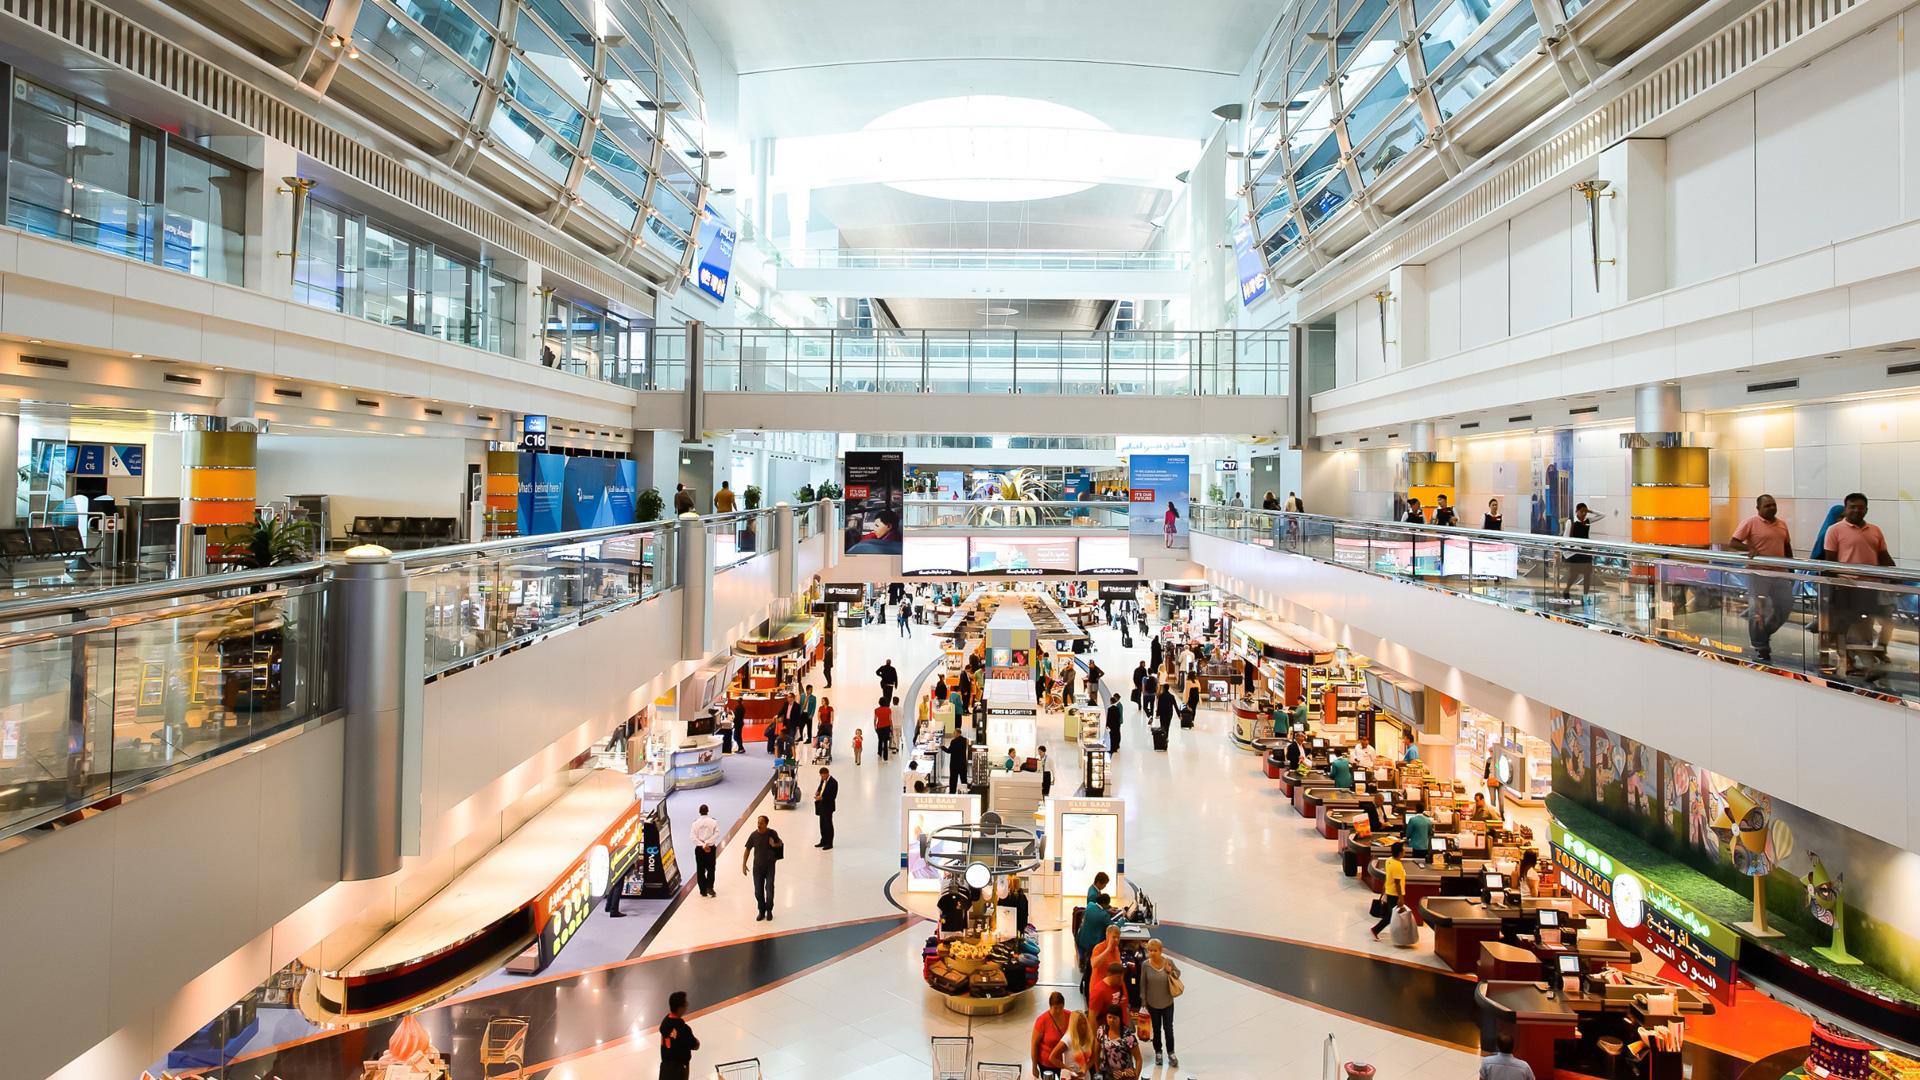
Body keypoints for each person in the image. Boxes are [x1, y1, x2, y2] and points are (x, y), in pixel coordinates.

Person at [1821, 492, 1896, 679]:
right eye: (1852, 506)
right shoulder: (1834, 530)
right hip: (1847, 587)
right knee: (1856, 627)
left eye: (1860, 507)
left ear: (1866, 510)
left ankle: (1857, 661)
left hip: (1870, 587)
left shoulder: (1875, 530)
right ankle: (1868, 665)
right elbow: (1831, 562)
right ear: (1845, 509)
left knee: (1865, 625)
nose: (1856, 510)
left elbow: (1883, 556)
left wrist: (1895, 575)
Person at [1140, 938, 1182, 1068]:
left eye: (1155, 951)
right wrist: (1143, 1000)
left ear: (1161, 951)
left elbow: (1177, 974)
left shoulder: (1168, 962)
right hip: (1152, 1003)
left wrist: (1171, 971)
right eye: (1150, 950)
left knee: (1168, 1029)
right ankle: (1158, 1051)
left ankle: (1171, 1052)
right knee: (1156, 1029)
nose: (1152, 953)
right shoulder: (1145, 965)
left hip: (1167, 1002)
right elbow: (1143, 984)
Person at [1095, 981, 1141, 1079]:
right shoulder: (1101, 1031)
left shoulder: (1127, 1035)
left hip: (1124, 1076)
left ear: (1120, 1019)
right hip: (1106, 1075)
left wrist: (1136, 1076)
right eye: (1109, 1017)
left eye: (1114, 1018)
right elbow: (1096, 1052)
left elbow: (1138, 1059)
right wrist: (1097, 1072)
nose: (1111, 1021)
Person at [742, 815, 782, 921]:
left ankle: (769, 910)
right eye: (758, 823)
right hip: (757, 868)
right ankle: (761, 910)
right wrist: (744, 864)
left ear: (766, 824)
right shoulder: (753, 835)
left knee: (769, 890)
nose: (759, 825)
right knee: (758, 891)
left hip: (770, 867)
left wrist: (774, 845)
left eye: (761, 823)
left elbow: (780, 843)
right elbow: (747, 850)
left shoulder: (772, 833)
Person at [658, 990, 700, 1080]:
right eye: (686, 1004)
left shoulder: (665, 1022)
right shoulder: (683, 1029)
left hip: (665, 1066)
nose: (687, 1005)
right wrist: (697, 1042)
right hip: (679, 1068)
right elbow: (694, 1045)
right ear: (680, 1008)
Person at [1371, 840, 1407, 940]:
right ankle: (1376, 929)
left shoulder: (1389, 860)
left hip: (1389, 889)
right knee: (1391, 915)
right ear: (1400, 853)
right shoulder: (1397, 866)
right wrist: (1400, 897)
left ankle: (1397, 932)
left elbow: (1388, 876)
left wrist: (1384, 886)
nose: (1405, 852)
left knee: (1392, 913)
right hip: (1394, 893)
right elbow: (1397, 883)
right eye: (1403, 850)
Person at [1032, 991, 1072, 1078]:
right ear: (1050, 1006)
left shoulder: (1070, 1016)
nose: (1058, 1011)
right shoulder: (1042, 1021)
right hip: (1046, 1064)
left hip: (1064, 1063)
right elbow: (1034, 1045)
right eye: (1055, 1008)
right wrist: (1034, 1067)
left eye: (1061, 1007)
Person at [1560, 502, 1596, 600]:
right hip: (1576, 552)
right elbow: (1566, 536)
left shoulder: (1588, 520)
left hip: (1586, 551)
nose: (1584, 513)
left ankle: (1585, 595)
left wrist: (1591, 511)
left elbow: (1602, 515)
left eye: (1585, 511)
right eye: (1582, 511)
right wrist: (1569, 549)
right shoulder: (1571, 521)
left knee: (1587, 574)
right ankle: (1567, 589)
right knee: (1574, 573)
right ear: (1577, 511)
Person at [1090, 961, 1130, 1033]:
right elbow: (1092, 1018)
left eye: (1122, 976)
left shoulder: (1121, 984)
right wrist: (1096, 1038)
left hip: (1123, 1029)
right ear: (1109, 975)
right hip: (1106, 1033)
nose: (1121, 979)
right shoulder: (1099, 991)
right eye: (1118, 977)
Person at [691, 804, 721, 898]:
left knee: (700, 869)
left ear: (699, 812)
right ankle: (710, 887)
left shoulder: (695, 823)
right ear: (708, 811)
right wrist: (707, 843)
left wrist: (702, 844)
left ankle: (702, 890)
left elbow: (693, 837)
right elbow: (717, 834)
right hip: (710, 849)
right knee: (711, 868)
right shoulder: (713, 821)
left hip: (699, 849)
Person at [813, 767, 838, 849]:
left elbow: (832, 797)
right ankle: (823, 840)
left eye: (823, 776)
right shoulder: (823, 780)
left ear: (827, 774)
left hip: (828, 806)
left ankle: (829, 843)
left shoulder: (833, 783)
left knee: (828, 824)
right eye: (821, 776)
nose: (822, 777)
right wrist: (818, 792)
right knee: (822, 824)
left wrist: (822, 798)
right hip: (821, 806)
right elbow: (821, 788)